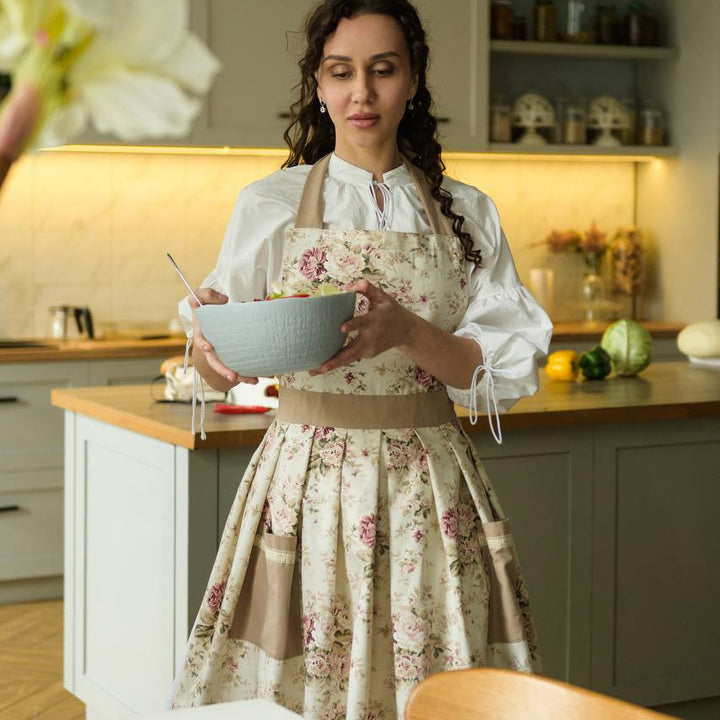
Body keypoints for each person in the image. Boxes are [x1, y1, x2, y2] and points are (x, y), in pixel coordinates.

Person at [170, 0, 552, 717]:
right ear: (318, 84)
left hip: (426, 484)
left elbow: (493, 374)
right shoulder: (271, 204)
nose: (362, 94)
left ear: (412, 80)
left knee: (435, 685)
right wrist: (212, 342)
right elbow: (219, 357)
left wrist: (406, 329)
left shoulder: (468, 213)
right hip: (305, 478)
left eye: (383, 70)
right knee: (306, 682)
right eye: (342, 72)